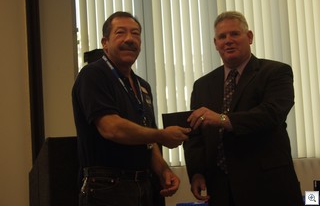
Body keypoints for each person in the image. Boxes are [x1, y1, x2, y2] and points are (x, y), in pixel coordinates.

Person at [183, 11, 303, 206]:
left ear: (249, 37)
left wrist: (223, 119)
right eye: (222, 37)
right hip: (220, 189)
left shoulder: (276, 72)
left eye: (234, 34)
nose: (228, 40)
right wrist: (196, 172)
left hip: (268, 186)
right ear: (215, 44)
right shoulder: (202, 85)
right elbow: (195, 134)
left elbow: (272, 113)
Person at [72, 11, 191, 206]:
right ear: (105, 42)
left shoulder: (142, 86)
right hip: (107, 188)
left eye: (135, 34)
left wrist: (163, 171)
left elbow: (148, 139)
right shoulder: (93, 75)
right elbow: (111, 128)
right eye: (120, 33)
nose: (130, 39)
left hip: (144, 186)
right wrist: (162, 135)